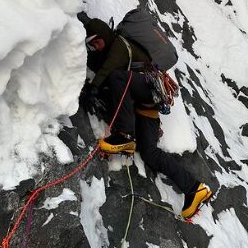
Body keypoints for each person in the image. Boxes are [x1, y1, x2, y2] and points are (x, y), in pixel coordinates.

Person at [79, 16, 212, 220]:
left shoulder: (119, 45)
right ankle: (194, 189)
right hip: (146, 103)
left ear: (105, 35)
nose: (95, 47)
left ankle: (124, 136)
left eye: (96, 41)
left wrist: (94, 88)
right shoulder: (106, 53)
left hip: (148, 88)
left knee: (116, 77)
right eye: (92, 45)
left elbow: (109, 70)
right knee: (150, 153)